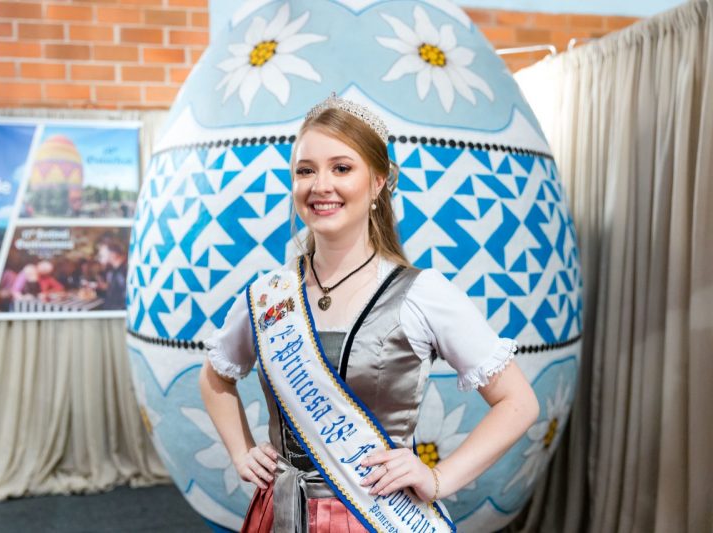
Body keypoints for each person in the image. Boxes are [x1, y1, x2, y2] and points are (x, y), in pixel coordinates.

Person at [198, 93, 540, 532]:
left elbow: (518, 402)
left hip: (374, 517)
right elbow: (214, 377)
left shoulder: (422, 294)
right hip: (281, 515)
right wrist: (242, 450)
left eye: (342, 168)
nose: (321, 185)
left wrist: (438, 479)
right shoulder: (270, 297)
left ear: (378, 181)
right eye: (306, 170)